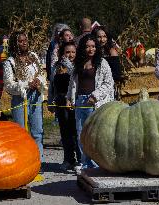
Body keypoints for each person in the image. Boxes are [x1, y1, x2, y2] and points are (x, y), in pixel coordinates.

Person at [67, 34, 115, 169]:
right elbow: (72, 83)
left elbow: (108, 83)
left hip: (93, 101)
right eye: (87, 46)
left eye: (93, 46)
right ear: (83, 48)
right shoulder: (78, 63)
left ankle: (95, 164)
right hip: (80, 101)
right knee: (81, 133)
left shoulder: (102, 63)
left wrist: (95, 95)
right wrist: (69, 98)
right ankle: (85, 162)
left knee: (93, 134)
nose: (90, 49)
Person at [3, 32, 46, 161]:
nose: (24, 43)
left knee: (37, 130)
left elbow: (41, 73)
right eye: (20, 41)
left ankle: (39, 161)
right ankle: (22, 161)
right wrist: (27, 84)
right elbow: (9, 84)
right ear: (15, 44)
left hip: (36, 95)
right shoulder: (10, 62)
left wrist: (38, 80)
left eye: (25, 40)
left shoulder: (33, 56)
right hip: (20, 97)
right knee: (21, 131)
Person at [50, 41, 81, 171]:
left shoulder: (78, 66)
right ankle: (68, 159)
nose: (70, 54)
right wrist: (51, 100)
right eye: (67, 52)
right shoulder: (56, 67)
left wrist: (69, 65)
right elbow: (52, 84)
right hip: (61, 102)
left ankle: (80, 160)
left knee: (77, 132)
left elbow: (76, 78)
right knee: (65, 132)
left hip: (75, 101)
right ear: (62, 53)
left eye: (73, 52)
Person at [91, 26, 122, 99]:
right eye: (99, 37)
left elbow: (117, 74)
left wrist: (102, 77)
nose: (102, 40)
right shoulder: (91, 53)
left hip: (106, 90)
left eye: (104, 36)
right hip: (92, 88)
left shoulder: (112, 52)